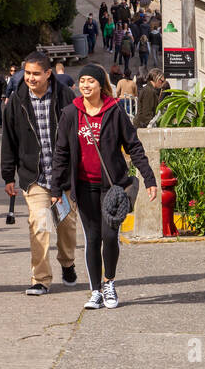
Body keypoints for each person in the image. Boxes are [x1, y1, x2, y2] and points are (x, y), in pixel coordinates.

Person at [50, 64, 157, 310]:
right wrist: (56, 189)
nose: (86, 85)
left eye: (91, 81)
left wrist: (149, 178)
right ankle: (95, 291)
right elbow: (61, 153)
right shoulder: (70, 114)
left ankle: (109, 282)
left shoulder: (114, 111)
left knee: (110, 237)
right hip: (84, 187)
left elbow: (134, 146)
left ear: (101, 85)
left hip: (112, 187)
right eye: (83, 81)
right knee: (92, 237)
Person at [1, 51, 78, 295]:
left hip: (64, 177)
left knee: (66, 225)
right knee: (40, 223)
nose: (31, 79)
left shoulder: (66, 96)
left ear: (48, 74)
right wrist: (7, 176)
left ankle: (67, 263)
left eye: (36, 74)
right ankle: (40, 279)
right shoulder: (17, 100)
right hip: (34, 177)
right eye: (28, 74)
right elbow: (9, 140)